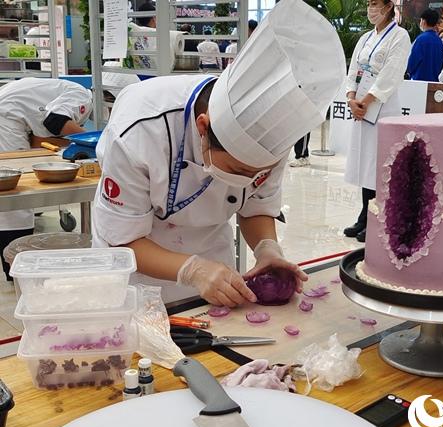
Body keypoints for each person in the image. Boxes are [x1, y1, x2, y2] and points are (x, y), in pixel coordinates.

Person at [91, 0, 345, 306]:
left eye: (259, 174)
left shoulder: (273, 138)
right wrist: (193, 270)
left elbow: (256, 207)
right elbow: (122, 240)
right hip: (138, 268)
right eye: (238, 171)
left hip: (213, 261)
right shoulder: (139, 132)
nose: (249, 180)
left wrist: (266, 248)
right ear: (203, 128)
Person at [0, 78, 92, 281]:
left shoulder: (56, 90)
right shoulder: (83, 96)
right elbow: (55, 121)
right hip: (7, 115)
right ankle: (16, 272)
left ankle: (14, 268)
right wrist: (94, 141)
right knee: (16, 196)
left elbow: (41, 135)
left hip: (9, 111)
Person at [343, 0, 411, 243]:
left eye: (375, 3)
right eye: (369, 4)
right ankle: (364, 215)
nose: (371, 8)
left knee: (380, 163)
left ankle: (378, 217)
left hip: (382, 108)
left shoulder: (400, 36)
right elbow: (354, 69)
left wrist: (366, 101)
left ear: (388, 6)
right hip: (361, 108)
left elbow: (391, 74)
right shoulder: (365, 38)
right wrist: (351, 98)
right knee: (365, 161)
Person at [406, 8, 443, 81]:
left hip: (418, 80)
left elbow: (413, 61)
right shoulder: (439, 41)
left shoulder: (420, 39)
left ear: (424, 21)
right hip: (433, 81)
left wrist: (408, 72)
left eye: (420, 20)